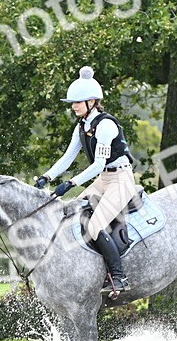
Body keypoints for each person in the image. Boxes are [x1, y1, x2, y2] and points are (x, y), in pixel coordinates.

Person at [34, 66, 138, 296]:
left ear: (92, 101)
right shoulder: (81, 126)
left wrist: (70, 184)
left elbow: (98, 164)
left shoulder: (105, 126)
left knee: (95, 225)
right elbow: (68, 157)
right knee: (70, 214)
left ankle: (119, 278)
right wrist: (47, 176)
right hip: (104, 179)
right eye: (72, 102)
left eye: (78, 102)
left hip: (120, 179)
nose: (74, 106)